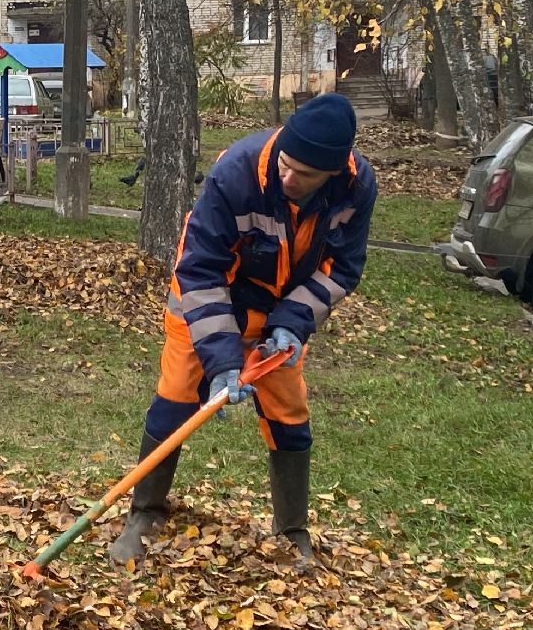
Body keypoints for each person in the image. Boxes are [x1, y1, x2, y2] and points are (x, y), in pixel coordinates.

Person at [112, 92, 377, 570]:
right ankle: (144, 514)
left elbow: (341, 269)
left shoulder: (357, 188)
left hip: (278, 315)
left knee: (290, 416)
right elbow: (199, 270)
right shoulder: (236, 172)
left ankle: (292, 530)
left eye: (307, 175)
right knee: (173, 404)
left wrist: (292, 324)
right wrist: (222, 362)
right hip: (205, 306)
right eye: (286, 166)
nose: (290, 179)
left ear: (335, 173)